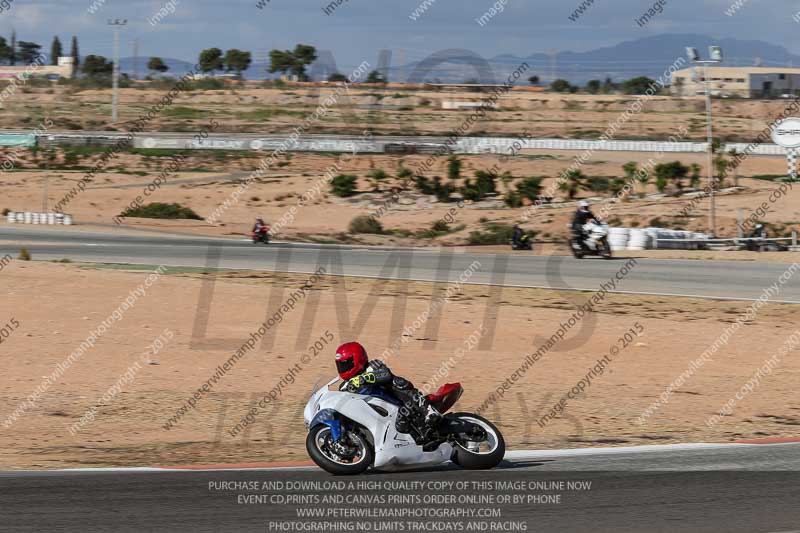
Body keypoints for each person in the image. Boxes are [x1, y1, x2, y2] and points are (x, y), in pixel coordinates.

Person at [334, 341, 440, 443]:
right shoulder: (344, 386)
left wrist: (362, 379)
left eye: (345, 364)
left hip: (395, 401)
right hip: (374, 415)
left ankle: (429, 411)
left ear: (357, 359)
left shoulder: (372, 366)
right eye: (340, 365)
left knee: (397, 382)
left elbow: (386, 375)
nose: (342, 368)